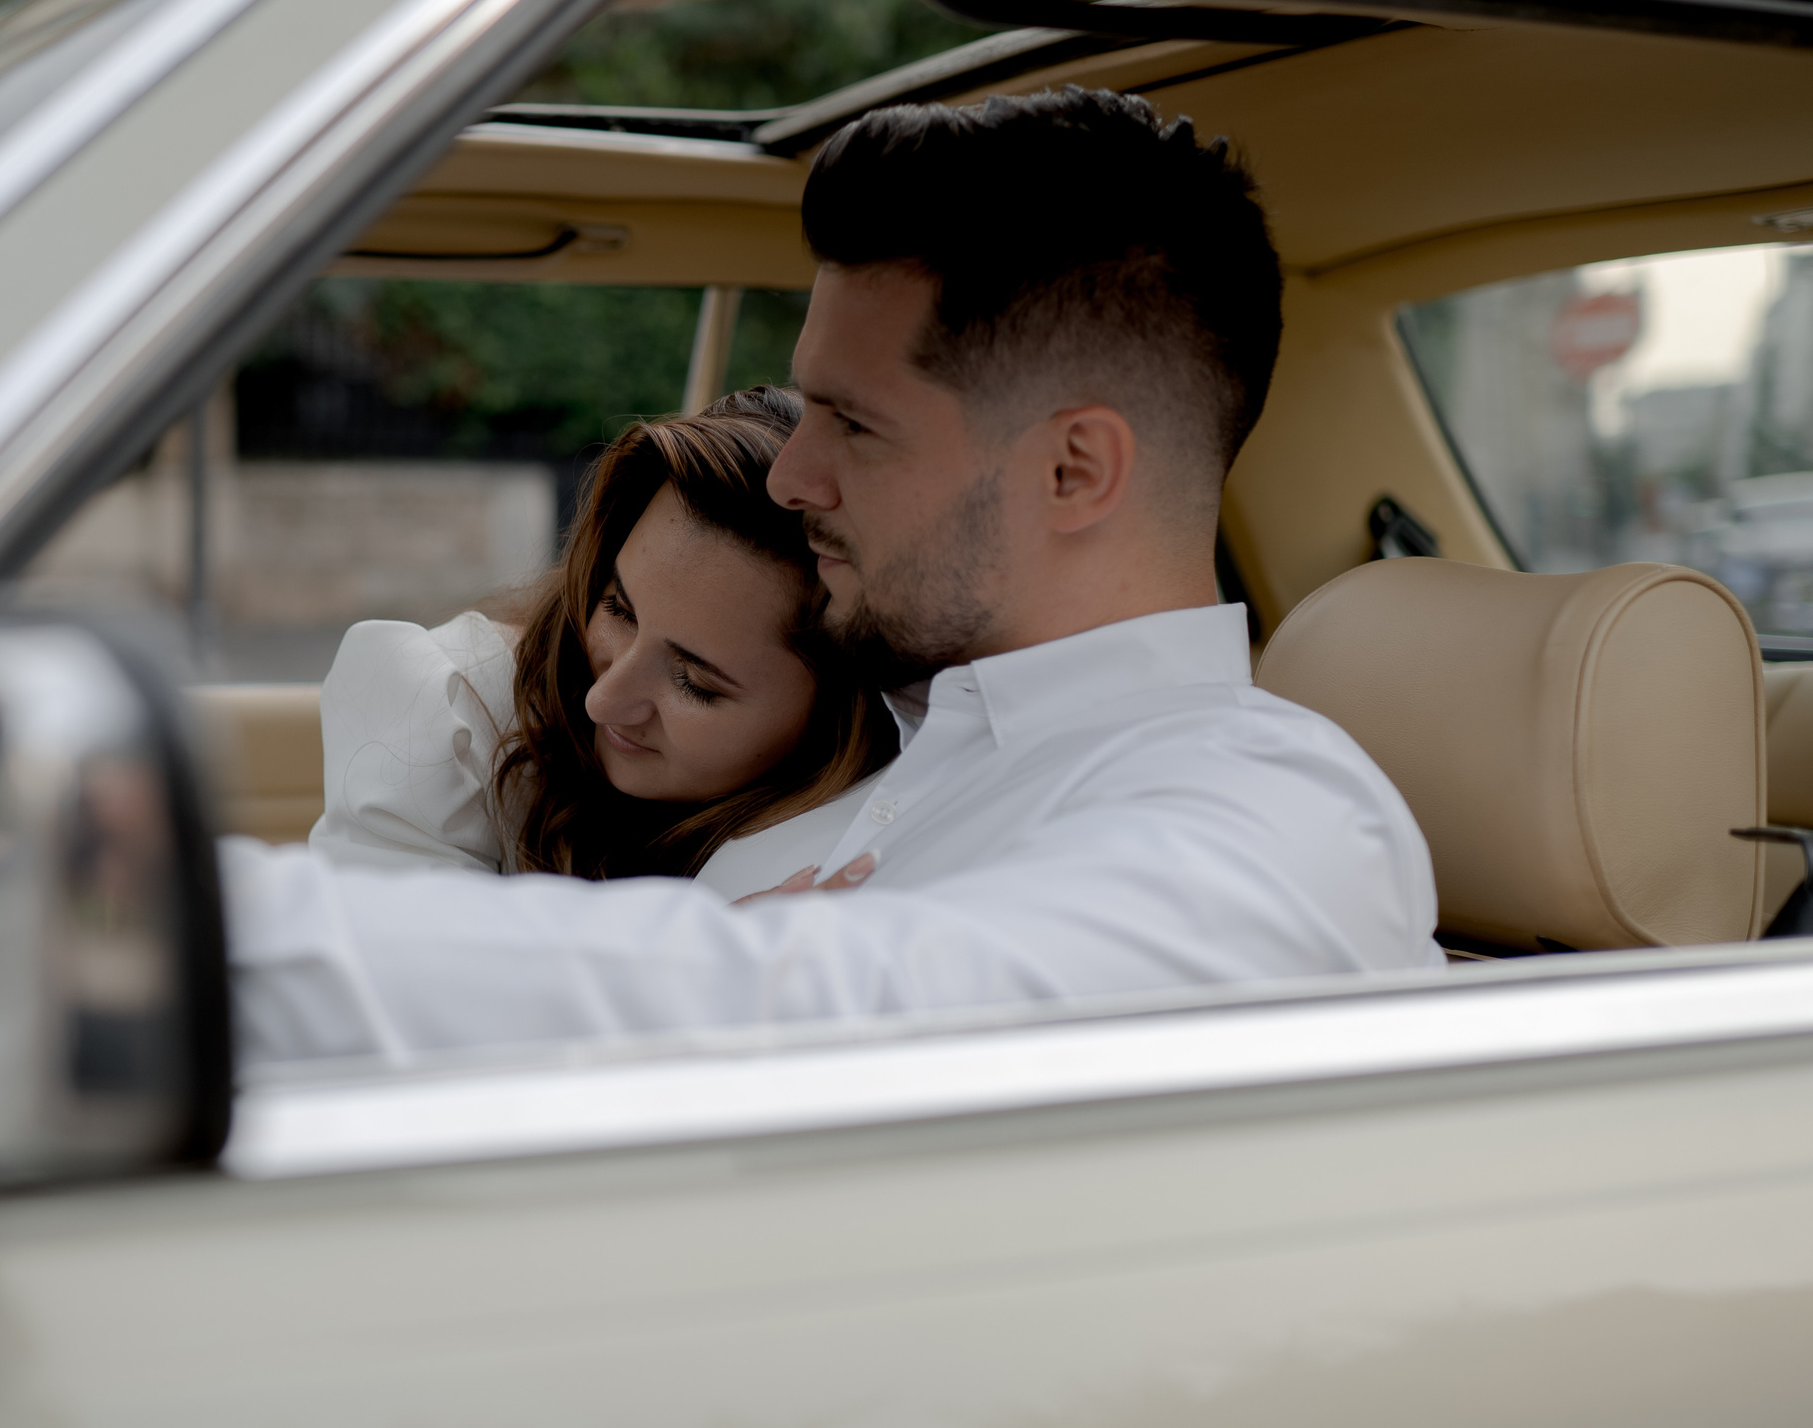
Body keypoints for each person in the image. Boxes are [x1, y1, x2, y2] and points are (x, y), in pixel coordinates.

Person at [223, 89, 1442, 1067]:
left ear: (1073, 470)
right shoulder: (914, 734)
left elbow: (863, 1013)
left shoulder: (1276, 821)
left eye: (854, 427)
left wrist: (195, 940)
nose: (794, 476)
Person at [307, 387, 896, 896]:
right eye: (619, 608)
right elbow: (396, 994)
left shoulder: (886, 806)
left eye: (695, 683)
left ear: (834, 718)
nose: (602, 701)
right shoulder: (456, 714)